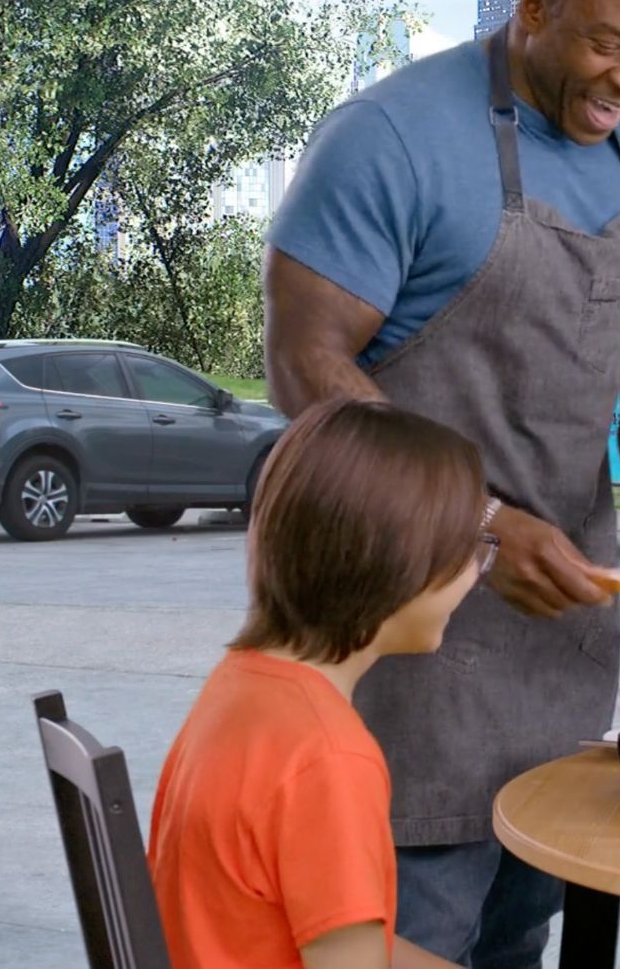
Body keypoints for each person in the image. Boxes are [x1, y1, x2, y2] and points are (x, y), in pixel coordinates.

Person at [259, 0, 620, 965]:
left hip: (556, 638)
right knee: (402, 931)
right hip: (392, 626)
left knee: (518, 935)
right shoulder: (391, 139)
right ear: (532, 8)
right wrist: (470, 525)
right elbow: (305, 364)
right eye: (607, 43)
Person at [147, 399, 487, 968]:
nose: (476, 572)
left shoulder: (243, 684)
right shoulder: (328, 760)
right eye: (466, 552)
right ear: (398, 562)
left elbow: (347, 947)